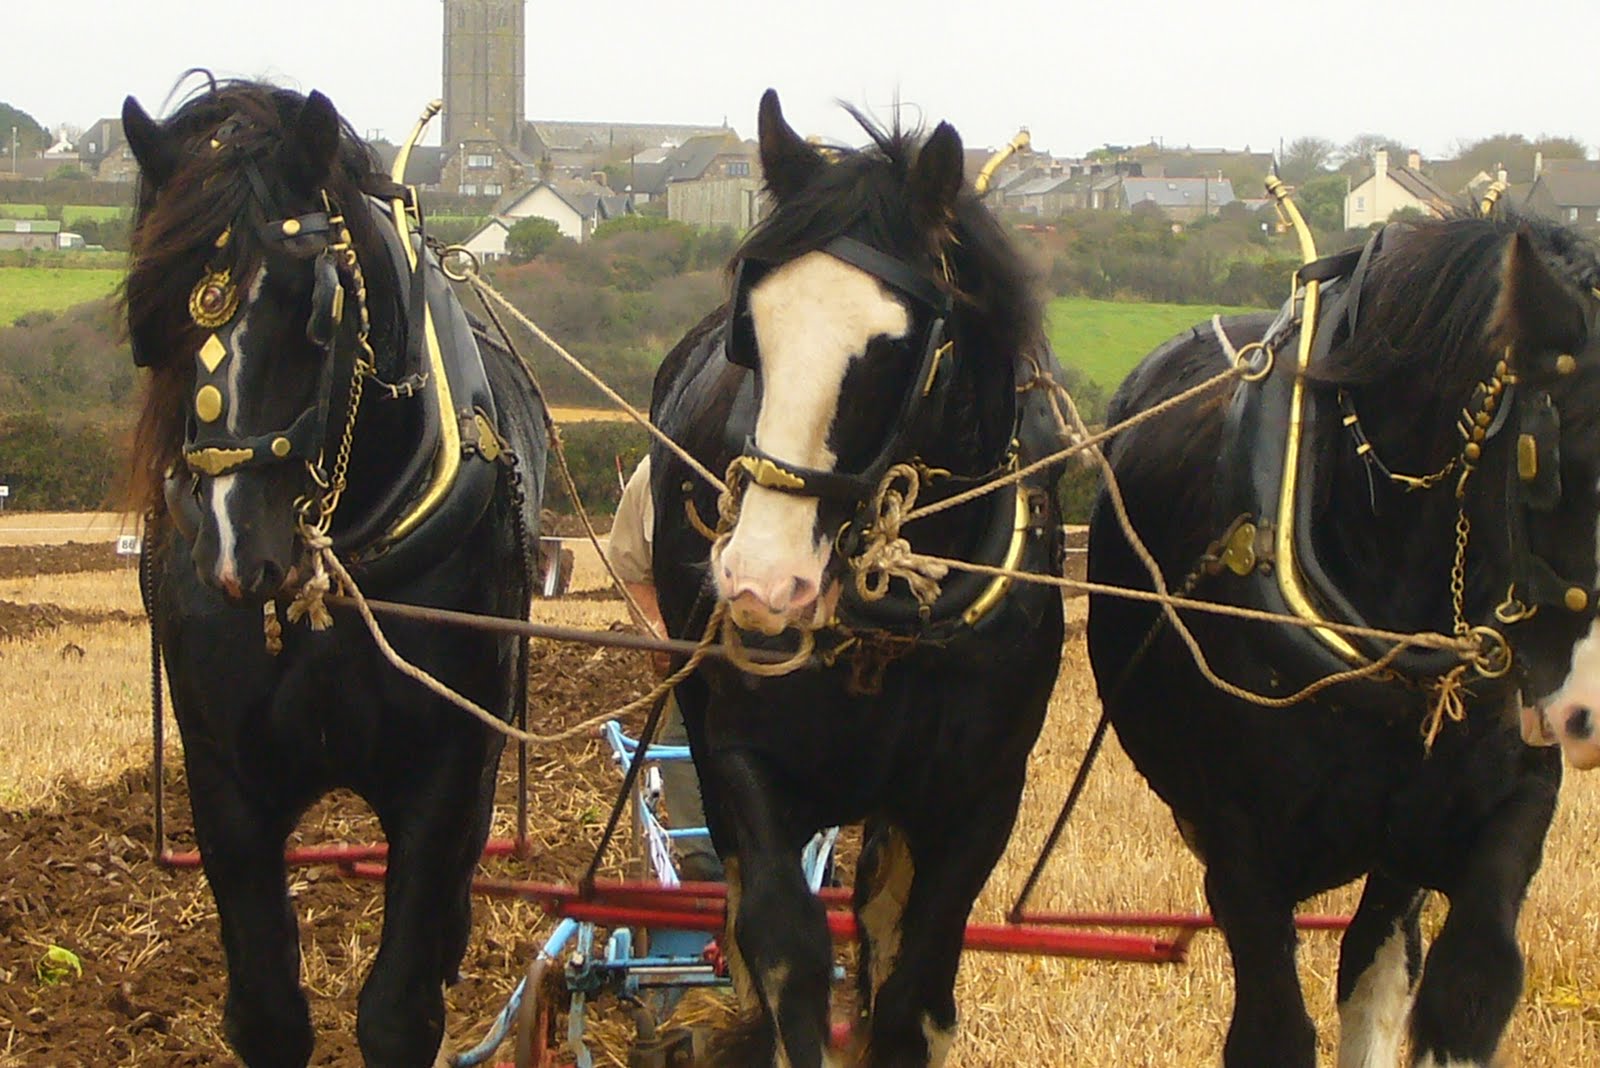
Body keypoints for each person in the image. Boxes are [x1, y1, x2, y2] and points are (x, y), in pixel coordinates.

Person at [607, 454, 723, 883]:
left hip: (775, 654)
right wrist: (657, 626)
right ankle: (702, 863)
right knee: (680, 739)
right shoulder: (652, 476)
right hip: (692, 653)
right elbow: (632, 569)